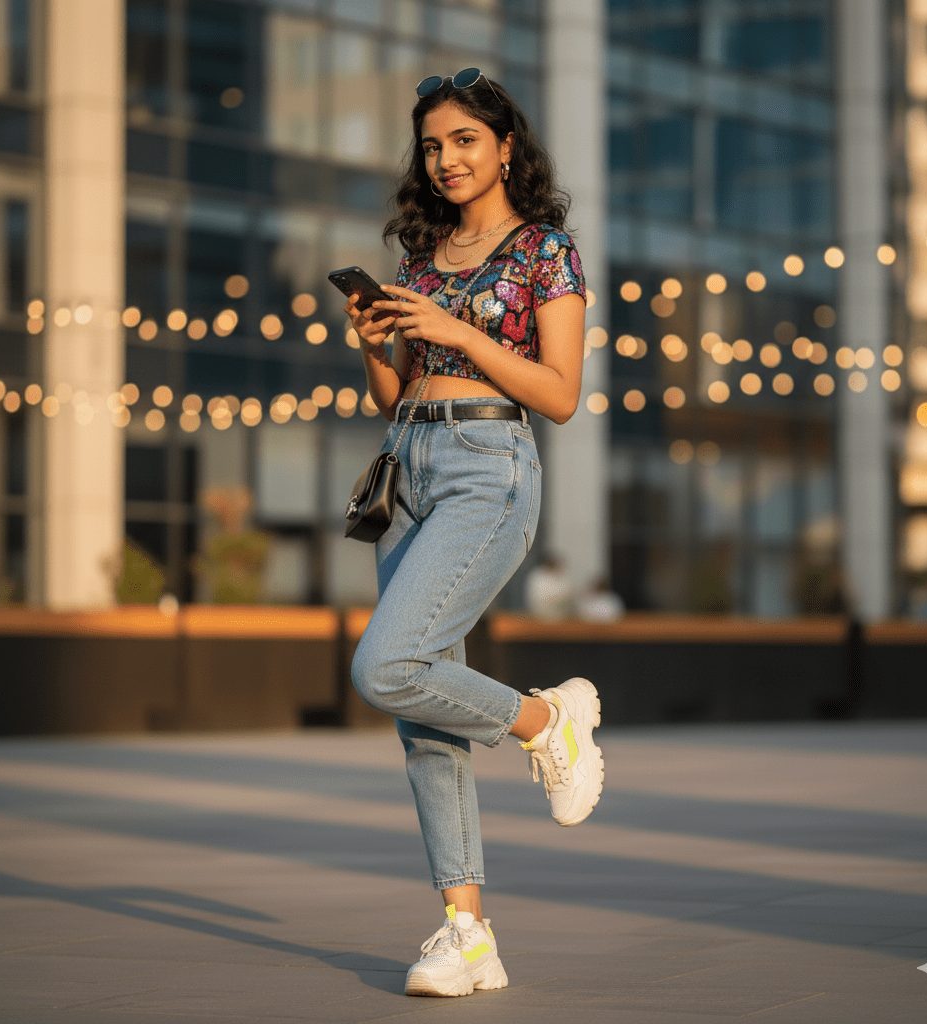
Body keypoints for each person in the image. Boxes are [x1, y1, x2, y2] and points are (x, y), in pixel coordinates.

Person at [344, 68, 604, 998]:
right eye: (431, 145)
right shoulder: (421, 258)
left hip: (488, 468)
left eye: (463, 140)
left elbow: (561, 394)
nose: (445, 159)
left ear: (504, 147)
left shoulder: (547, 253)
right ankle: (468, 934)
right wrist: (378, 342)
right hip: (409, 465)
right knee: (421, 717)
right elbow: (395, 393)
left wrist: (457, 328)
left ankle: (549, 720)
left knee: (385, 667)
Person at [524, 552, 575, 618]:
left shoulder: (561, 577)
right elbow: (538, 598)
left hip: (560, 617)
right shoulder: (538, 576)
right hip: (539, 616)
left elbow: (568, 593)